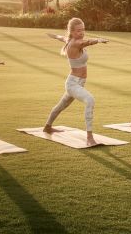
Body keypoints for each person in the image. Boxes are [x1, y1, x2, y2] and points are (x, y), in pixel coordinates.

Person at [43, 18, 108, 146]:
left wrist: (54, 36)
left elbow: (61, 37)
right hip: (73, 84)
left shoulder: (70, 40)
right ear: (72, 32)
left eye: (83, 30)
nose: (82, 33)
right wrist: (98, 40)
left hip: (78, 83)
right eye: (78, 31)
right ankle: (89, 138)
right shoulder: (75, 43)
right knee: (90, 100)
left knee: (61, 106)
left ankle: (47, 127)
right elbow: (86, 42)